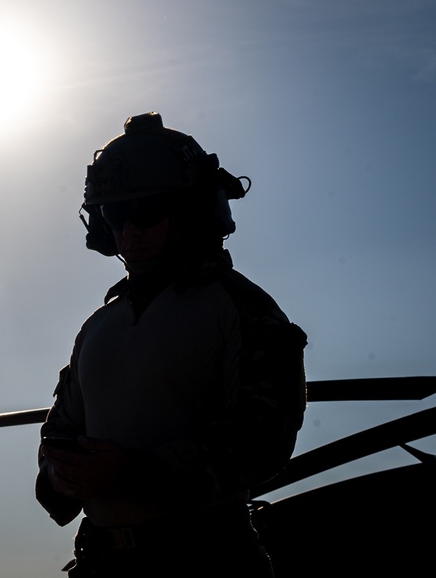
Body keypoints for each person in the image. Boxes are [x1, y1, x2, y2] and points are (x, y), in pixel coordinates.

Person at [37, 112, 307, 576]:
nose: (129, 231)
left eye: (146, 213)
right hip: (101, 561)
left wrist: (133, 471)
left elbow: (263, 441)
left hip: (205, 560)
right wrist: (60, 476)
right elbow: (59, 432)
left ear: (191, 211)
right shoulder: (99, 326)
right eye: (115, 215)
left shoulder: (243, 310)